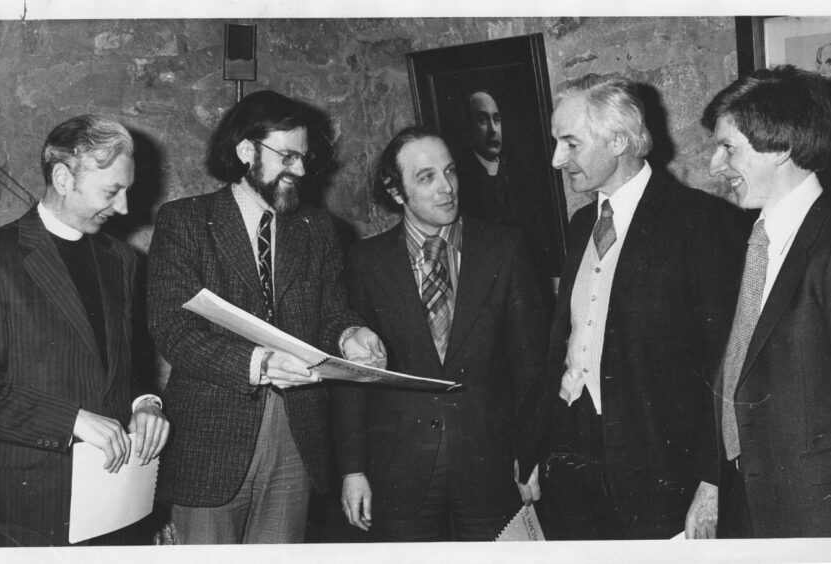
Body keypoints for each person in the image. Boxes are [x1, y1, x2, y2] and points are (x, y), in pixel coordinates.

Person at [146, 90, 385, 544]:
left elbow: (332, 312)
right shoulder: (186, 222)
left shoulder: (317, 229)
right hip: (210, 442)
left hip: (297, 440)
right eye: (287, 155)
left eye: (304, 157)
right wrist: (258, 364)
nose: (298, 169)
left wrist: (353, 333)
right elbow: (172, 329)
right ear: (245, 151)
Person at [540, 74, 747, 540]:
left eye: (570, 143)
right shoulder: (579, 227)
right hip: (573, 460)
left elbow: (727, 363)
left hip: (659, 468)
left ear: (618, 140)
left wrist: (713, 481)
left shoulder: (702, 224)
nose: (557, 159)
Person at [331, 127, 548, 541]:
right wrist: (352, 469)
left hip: (492, 466)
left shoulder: (506, 249)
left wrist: (532, 452)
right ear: (396, 192)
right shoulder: (364, 263)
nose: (447, 188)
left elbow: (531, 364)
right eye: (426, 177)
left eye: (450, 172)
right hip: (399, 471)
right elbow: (350, 381)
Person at [0, 115, 169, 546]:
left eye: (126, 190)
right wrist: (71, 420)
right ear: (63, 178)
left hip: (112, 503)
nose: (125, 208)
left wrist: (147, 404)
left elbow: (129, 366)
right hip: (27, 507)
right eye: (112, 191)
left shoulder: (122, 260)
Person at [702, 65, 831, 538]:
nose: (714, 166)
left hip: (818, 517)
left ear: (780, 147)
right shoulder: (752, 240)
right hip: (749, 502)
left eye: (728, 149)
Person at [457, 90, 522, 227]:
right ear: (469, 127)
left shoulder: (518, 173)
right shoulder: (462, 181)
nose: (493, 130)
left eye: (496, 120)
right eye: (483, 120)